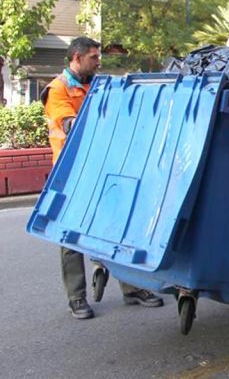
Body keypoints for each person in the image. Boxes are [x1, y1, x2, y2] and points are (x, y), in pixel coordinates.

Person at [42, 36, 163, 319]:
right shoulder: (57, 89)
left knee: (117, 227)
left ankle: (132, 288)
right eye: (94, 57)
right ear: (76, 58)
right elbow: (69, 123)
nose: (99, 62)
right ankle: (77, 298)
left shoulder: (98, 84)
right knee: (71, 235)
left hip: (103, 166)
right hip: (72, 171)